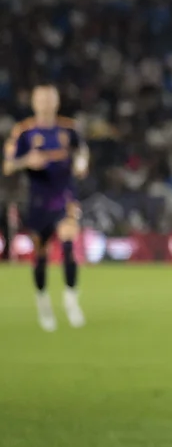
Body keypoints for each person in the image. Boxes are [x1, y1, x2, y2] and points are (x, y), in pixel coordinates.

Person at [5, 84, 88, 332]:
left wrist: (82, 163)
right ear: (34, 102)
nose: (46, 103)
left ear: (57, 101)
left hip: (65, 196)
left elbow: (82, 151)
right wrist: (25, 161)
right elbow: (8, 166)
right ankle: (43, 302)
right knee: (40, 255)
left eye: (50, 98)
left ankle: (71, 299)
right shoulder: (24, 131)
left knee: (69, 242)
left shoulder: (69, 128)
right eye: (41, 99)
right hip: (39, 200)